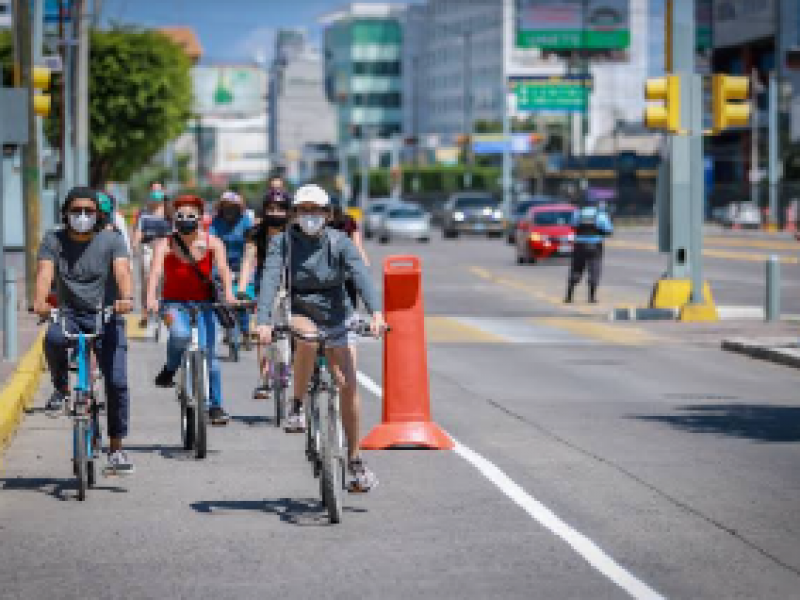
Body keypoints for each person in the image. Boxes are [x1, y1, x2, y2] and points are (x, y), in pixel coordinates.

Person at [255, 184, 386, 492]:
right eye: (303, 210)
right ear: (294, 214)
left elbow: (360, 275)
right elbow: (271, 277)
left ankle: (355, 460)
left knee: (348, 383)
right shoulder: (283, 243)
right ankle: (297, 405)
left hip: (338, 312)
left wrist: (376, 313)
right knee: (309, 338)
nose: (309, 216)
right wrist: (262, 321)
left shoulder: (340, 242)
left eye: (316, 210)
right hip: (301, 306)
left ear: (328, 214)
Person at [33, 186, 135, 474]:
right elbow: (44, 272)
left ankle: (116, 449)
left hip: (106, 314)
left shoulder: (112, 239)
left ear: (98, 215)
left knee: (116, 382)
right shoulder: (53, 240)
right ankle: (61, 387)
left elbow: (122, 271)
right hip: (69, 314)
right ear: (65, 213)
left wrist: (125, 298)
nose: (81, 216)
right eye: (75, 210)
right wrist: (40, 302)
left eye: (88, 211)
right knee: (52, 338)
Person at [146, 195, 237, 425]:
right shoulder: (165, 243)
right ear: (174, 219)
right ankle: (170, 368)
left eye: (191, 216)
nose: (186, 219)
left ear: (200, 218)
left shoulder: (212, 242)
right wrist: (150, 298)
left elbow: (224, 269)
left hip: (205, 305)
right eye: (180, 216)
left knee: (210, 357)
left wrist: (229, 293)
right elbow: (156, 271)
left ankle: (215, 405)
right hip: (173, 304)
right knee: (179, 334)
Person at [239, 189, 291, 399]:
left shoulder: (294, 232)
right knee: (263, 332)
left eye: (280, 209)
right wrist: (242, 288)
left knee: (294, 329)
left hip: (292, 286)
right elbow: (248, 261)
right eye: (271, 208)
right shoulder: (256, 233)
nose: (275, 213)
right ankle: (263, 381)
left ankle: (293, 369)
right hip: (265, 286)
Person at [210, 191, 254, 345]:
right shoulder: (216, 222)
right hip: (222, 265)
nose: (230, 211)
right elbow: (211, 242)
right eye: (227, 207)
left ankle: (245, 330)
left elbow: (251, 243)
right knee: (218, 293)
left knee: (242, 297)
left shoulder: (246, 221)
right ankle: (226, 326)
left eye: (233, 207)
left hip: (243, 264)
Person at [565, 196, 613, 304]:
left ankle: (569, 296)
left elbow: (573, 226)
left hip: (579, 245)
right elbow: (609, 230)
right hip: (595, 246)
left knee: (576, 269)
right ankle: (591, 297)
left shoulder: (578, 213)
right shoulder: (601, 215)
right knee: (594, 271)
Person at [132, 188, 168, 327]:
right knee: (147, 279)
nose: (155, 202)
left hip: (165, 250)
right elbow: (139, 232)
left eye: (158, 200)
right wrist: (134, 245)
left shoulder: (169, 215)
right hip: (148, 248)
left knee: (164, 281)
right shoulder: (144, 215)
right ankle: (145, 312)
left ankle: (163, 310)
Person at [330, 199, 370, 309]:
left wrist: (364, 261)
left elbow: (357, 244)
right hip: (331, 263)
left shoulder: (348, 221)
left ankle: (351, 315)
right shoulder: (322, 223)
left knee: (350, 289)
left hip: (346, 262)